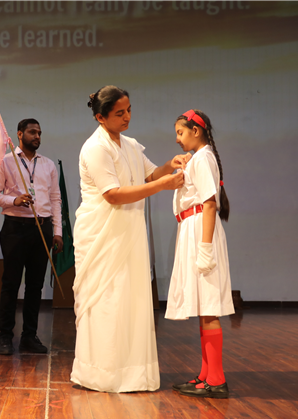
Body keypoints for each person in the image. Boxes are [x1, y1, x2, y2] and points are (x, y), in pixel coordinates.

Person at [71, 86, 188, 392]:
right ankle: (101, 373)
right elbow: (113, 194)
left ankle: (132, 373)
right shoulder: (95, 148)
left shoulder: (131, 145)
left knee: (130, 300)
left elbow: (149, 175)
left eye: (129, 110)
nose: (127, 117)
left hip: (129, 233)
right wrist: (163, 185)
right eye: (119, 113)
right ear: (101, 117)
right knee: (107, 302)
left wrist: (170, 166)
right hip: (102, 236)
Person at [166, 109, 233, 399]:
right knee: (204, 307)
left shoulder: (203, 158)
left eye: (180, 133)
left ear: (196, 131)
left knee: (209, 305)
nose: (177, 139)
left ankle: (216, 379)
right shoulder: (198, 158)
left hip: (200, 232)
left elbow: (209, 203)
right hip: (192, 229)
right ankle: (206, 375)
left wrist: (205, 248)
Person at [0, 118, 63, 356]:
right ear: (19, 134)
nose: (37, 136)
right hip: (15, 228)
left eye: (39, 132)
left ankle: (29, 336)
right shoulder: (6, 161)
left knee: (35, 285)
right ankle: (5, 337)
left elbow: (55, 199)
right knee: (10, 284)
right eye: (32, 132)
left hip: (42, 228)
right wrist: (14, 200)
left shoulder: (48, 164)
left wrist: (57, 232)